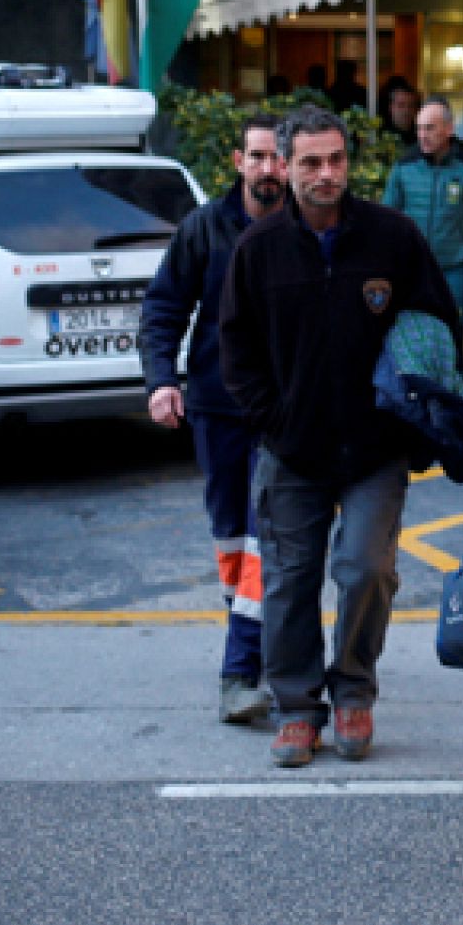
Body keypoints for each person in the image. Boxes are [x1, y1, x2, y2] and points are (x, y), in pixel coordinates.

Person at [219, 105, 462, 768]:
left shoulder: (393, 237)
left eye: (336, 161)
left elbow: (439, 327)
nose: (326, 175)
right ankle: (297, 708)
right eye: (310, 163)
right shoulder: (258, 249)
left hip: (374, 450)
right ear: (285, 166)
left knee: (366, 571)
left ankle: (354, 690)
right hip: (292, 452)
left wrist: (417, 424)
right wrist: (275, 421)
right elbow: (234, 350)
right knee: (290, 580)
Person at [139, 113, 286, 726]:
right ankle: (251, 635)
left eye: (277, 158)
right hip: (214, 407)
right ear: (237, 162)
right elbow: (164, 306)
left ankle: (240, 669)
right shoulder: (204, 228)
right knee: (232, 538)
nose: (267, 169)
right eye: (257, 156)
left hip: (281, 416)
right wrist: (160, 381)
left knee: (263, 537)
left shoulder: (306, 229)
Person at [381, 96, 463, 326]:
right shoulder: (404, 166)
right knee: (414, 333)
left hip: (456, 268)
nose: (422, 135)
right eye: (419, 128)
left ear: (449, 129)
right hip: (413, 268)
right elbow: (387, 220)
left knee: (454, 333)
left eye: (430, 128)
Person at [379, 76, 420, 150]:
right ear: (391, 108)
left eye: (411, 106)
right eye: (401, 105)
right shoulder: (380, 138)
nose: (406, 110)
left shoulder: (421, 136)